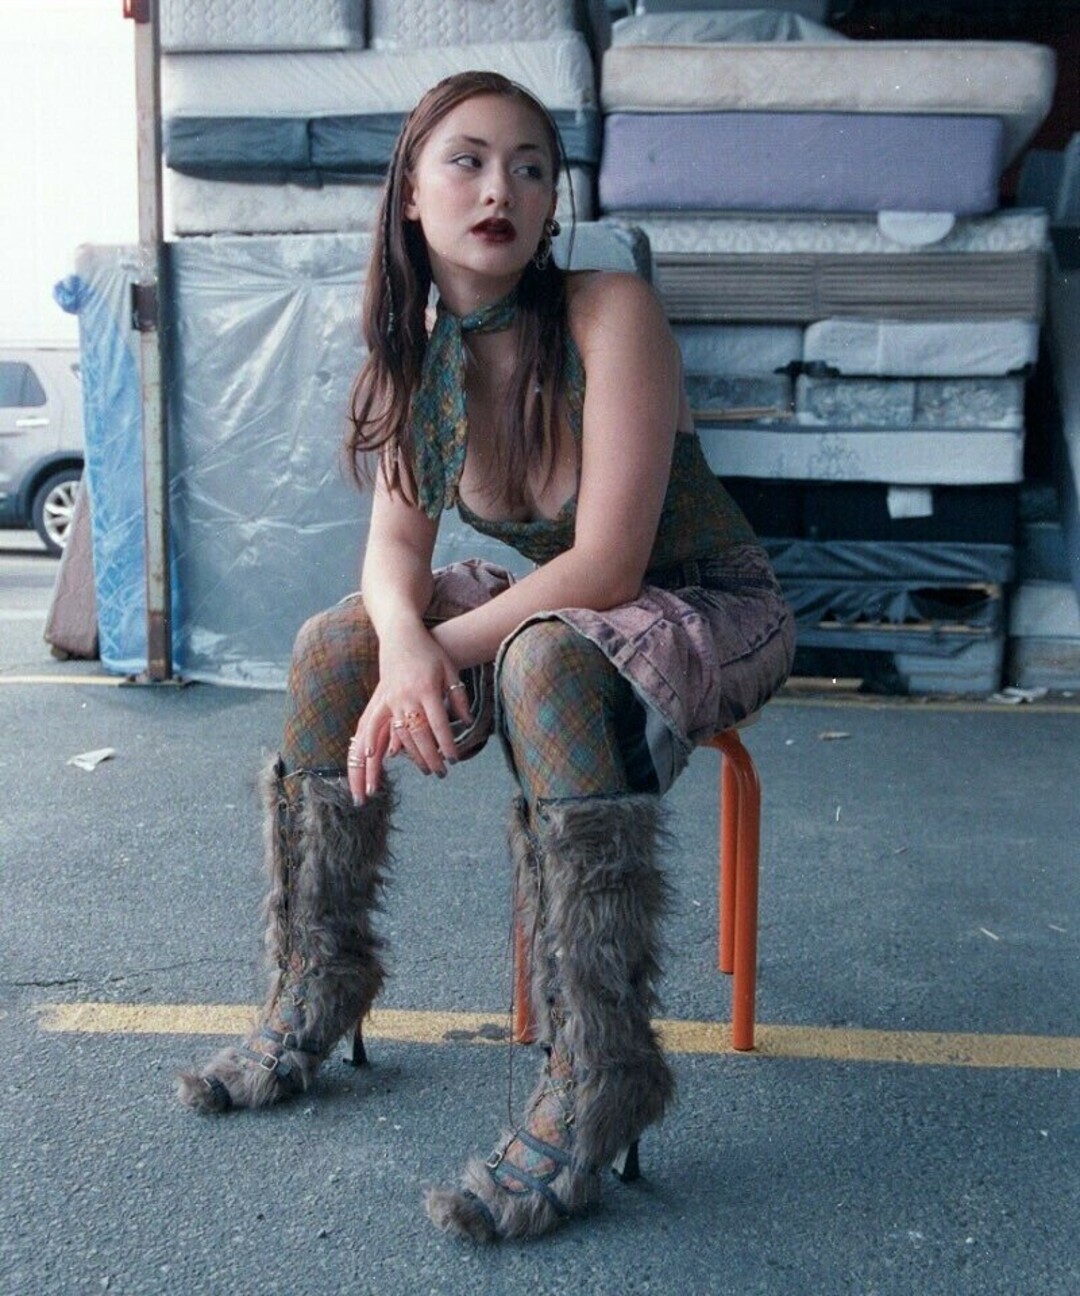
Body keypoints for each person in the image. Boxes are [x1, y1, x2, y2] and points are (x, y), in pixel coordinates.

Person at [176, 70, 795, 1242]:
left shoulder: (611, 312)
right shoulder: (418, 355)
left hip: (709, 602)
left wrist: (433, 652)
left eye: (529, 167)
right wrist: (401, 652)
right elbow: (390, 556)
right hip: (575, 615)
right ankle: (317, 979)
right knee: (336, 647)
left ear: (553, 201)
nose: (500, 188)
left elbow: (609, 564)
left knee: (540, 662)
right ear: (411, 193)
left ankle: (599, 1071)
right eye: (466, 160)